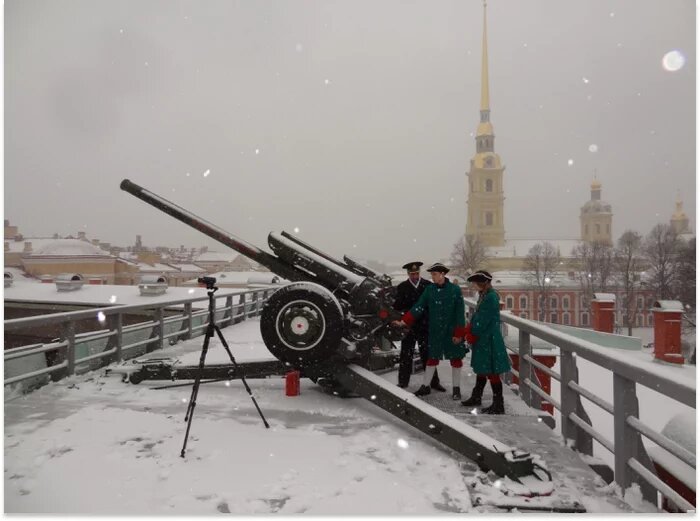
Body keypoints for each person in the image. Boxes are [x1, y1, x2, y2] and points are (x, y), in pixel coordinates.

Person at [393, 262, 467, 400]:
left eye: (434, 274)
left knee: (456, 359)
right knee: (432, 358)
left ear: (442, 274)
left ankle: (456, 389)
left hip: (451, 331)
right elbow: (418, 307)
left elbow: (460, 314)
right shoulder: (430, 289)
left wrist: (459, 334)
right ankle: (425, 386)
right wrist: (404, 321)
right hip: (435, 331)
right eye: (432, 274)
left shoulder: (455, 290)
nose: (432, 277)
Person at [459, 270, 511, 414]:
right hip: (485, 338)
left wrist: (472, 333)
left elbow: (483, 320)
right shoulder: (485, 295)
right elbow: (478, 317)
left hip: (488, 339)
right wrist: (470, 329)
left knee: (492, 372)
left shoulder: (490, 297)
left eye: (476, 283)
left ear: (484, 283)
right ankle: (477, 396)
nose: (474, 286)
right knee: (482, 369)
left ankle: (498, 404)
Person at [392, 262, 444, 391]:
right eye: (412, 274)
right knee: (406, 354)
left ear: (419, 272)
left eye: (416, 273)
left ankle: (434, 382)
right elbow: (397, 307)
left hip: (424, 325)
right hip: (408, 326)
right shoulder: (402, 287)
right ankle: (403, 382)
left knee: (428, 354)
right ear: (408, 274)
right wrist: (399, 320)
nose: (414, 276)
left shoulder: (428, 285)